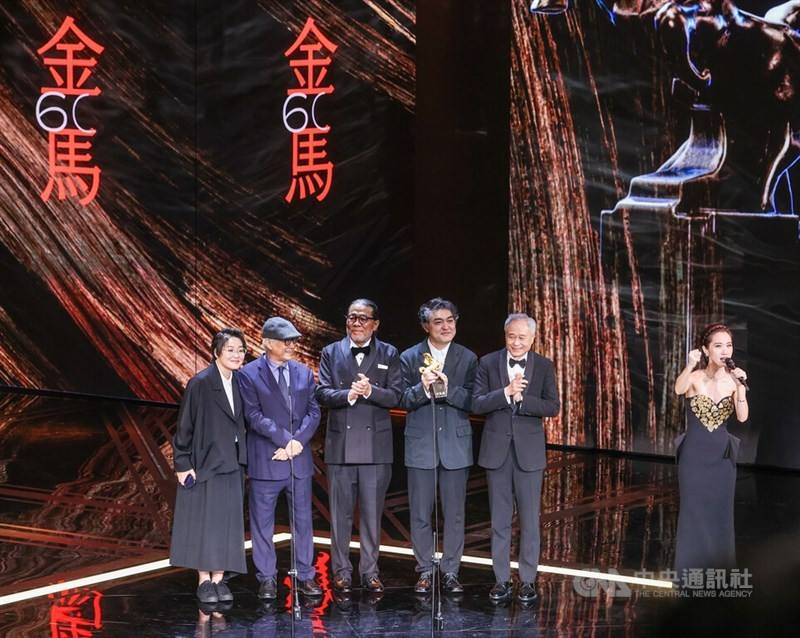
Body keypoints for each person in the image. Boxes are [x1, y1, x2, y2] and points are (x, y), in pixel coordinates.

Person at [316, 298, 402, 594]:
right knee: (339, 515)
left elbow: (397, 396)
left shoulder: (389, 353)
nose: (356, 323)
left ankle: (370, 572)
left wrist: (371, 391)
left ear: (375, 324)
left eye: (363, 318)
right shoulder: (330, 352)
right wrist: (349, 395)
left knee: (371, 513)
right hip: (340, 446)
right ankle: (340, 571)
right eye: (352, 317)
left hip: (376, 449)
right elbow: (322, 393)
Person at [472, 313, 560, 603]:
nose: (516, 342)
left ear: (532, 339)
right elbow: (477, 402)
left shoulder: (545, 366)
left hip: (529, 453)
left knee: (530, 520)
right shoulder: (486, 363)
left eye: (522, 337)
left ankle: (528, 581)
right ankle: (501, 580)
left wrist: (524, 401)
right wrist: (506, 393)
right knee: (499, 520)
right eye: (512, 336)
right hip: (496, 453)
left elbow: (552, 406)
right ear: (505, 335)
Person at [237, 317, 322, 600]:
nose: (291, 345)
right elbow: (253, 416)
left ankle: (306, 576)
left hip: (298, 461)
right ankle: (267, 579)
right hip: (267, 460)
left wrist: (297, 443)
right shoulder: (248, 374)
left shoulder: (303, 372)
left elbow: (314, 412)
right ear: (267, 343)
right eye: (285, 341)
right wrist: (287, 441)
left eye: (293, 340)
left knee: (304, 522)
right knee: (262, 523)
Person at [399, 298, 477, 595]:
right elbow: (400, 398)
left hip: (456, 446)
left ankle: (451, 571)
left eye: (450, 320)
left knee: (455, 513)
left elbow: (475, 400)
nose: (446, 326)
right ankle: (424, 571)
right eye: (438, 321)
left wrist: (449, 389)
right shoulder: (409, 357)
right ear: (425, 326)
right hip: (420, 445)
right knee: (420, 513)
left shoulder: (468, 358)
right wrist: (422, 389)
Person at [170, 328, 248, 604]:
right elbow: (184, 426)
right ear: (216, 352)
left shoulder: (240, 382)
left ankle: (219, 578)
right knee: (206, 523)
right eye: (230, 350)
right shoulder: (200, 383)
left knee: (227, 522)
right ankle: (204, 580)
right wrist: (182, 462)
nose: (237, 355)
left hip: (233, 462)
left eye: (241, 350)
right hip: (206, 463)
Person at [673, 322, 748, 575]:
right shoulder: (694, 378)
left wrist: (740, 389)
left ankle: (720, 576)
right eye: (718, 345)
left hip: (722, 460)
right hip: (694, 458)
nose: (725, 350)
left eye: (728, 345)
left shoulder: (733, 380)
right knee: (693, 514)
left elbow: (742, 417)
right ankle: (689, 575)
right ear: (706, 350)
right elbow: (678, 389)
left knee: (721, 516)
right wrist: (690, 365)